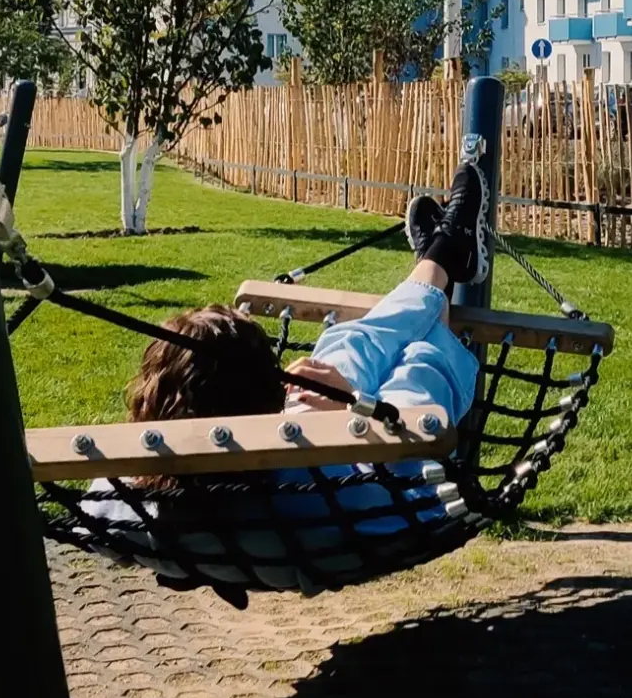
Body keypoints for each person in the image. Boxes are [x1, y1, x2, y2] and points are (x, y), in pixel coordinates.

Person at [81, 166, 492, 570]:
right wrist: (354, 411)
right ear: (268, 400)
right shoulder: (324, 493)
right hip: (395, 495)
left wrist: (327, 401)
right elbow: (415, 443)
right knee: (416, 361)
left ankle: (440, 254)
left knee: (335, 356)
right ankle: (444, 256)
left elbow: (96, 517)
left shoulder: (120, 500)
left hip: (267, 500)